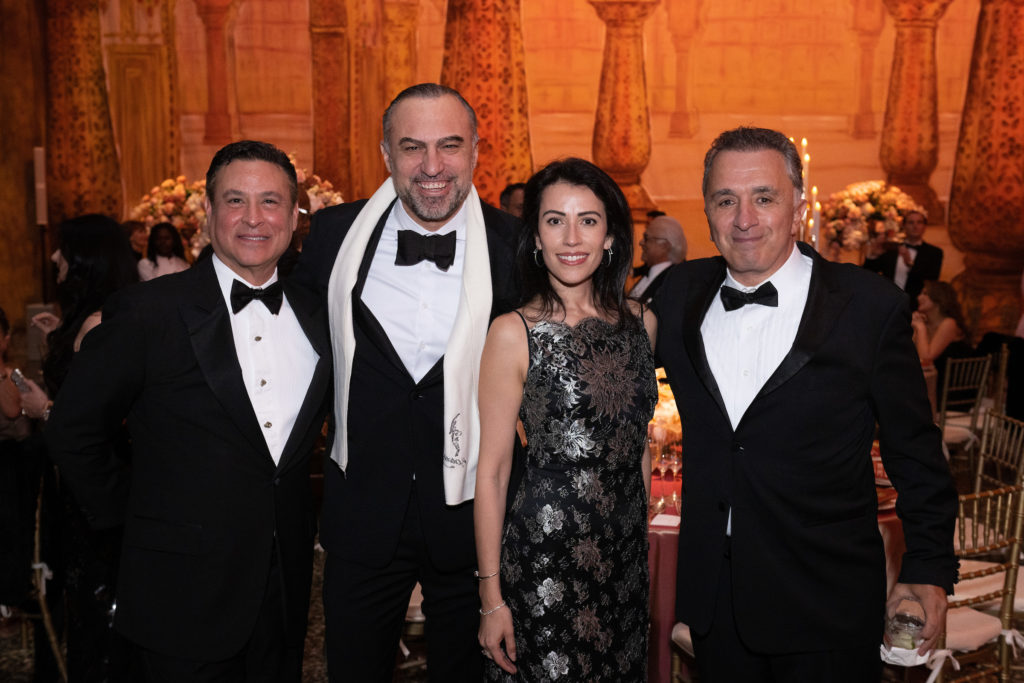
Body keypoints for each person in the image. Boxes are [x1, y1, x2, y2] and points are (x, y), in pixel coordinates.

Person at [653, 127, 958, 682]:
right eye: (727, 200)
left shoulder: (868, 306)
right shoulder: (679, 292)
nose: (744, 218)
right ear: (708, 211)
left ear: (797, 206)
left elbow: (916, 452)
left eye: (764, 198)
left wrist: (929, 568)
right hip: (716, 605)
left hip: (827, 604)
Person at [45, 140, 332, 683]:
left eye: (270, 202)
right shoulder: (147, 311)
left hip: (284, 594)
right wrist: (133, 520)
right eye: (235, 201)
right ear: (207, 213)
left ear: (296, 217)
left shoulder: (319, 316)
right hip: (175, 593)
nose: (253, 218)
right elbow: (73, 431)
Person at [292, 82, 520, 682]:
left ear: (476, 150)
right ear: (387, 155)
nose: (433, 166)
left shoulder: (515, 248)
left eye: (450, 146)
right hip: (363, 510)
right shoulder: (332, 237)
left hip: (474, 519)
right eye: (413, 148)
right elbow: (271, 309)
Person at [475, 158, 657, 681]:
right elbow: (491, 473)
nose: (571, 237)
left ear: (611, 236)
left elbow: (637, 443)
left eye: (588, 220)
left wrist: (638, 541)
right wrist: (491, 597)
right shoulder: (513, 332)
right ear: (535, 237)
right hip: (545, 558)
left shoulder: (643, 323)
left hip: (623, 559)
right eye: (555, 220)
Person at [864, 209, 943, 309]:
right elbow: (868, 274)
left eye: (919, 222)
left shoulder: (934, 253)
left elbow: (931, 282)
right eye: (911, 222)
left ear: (924, 226)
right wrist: (873, 255)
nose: (915, 226)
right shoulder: (891, 248)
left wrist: (909, 263)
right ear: (904, 225)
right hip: (887, 304)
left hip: (915, 307)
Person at [912, 280, 974, 386]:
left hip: (952, 386)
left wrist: (920, 327)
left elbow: (925, 359)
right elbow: (911, 353)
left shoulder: (949, 323)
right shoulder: (925, 322)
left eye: (925, 294)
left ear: (938, 299)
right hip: (932, 381)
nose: (918, 297)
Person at [628, 212, 687, 305]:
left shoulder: (674, 283)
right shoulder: (651, 272)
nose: (641, 242)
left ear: (664, 246)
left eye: (646, 238)